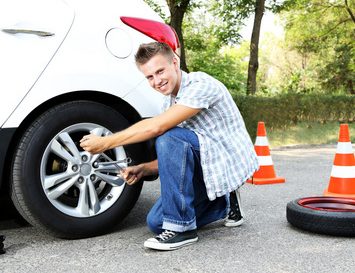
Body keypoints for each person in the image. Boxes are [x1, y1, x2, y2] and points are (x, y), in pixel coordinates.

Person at [80, 42, 259, 251]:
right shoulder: (168, 103)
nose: (156, 81)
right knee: (156, 223)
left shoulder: (201, 85)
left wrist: (106, 142)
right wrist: (143, 169)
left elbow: (158, 129)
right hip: (206, 164)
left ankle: (183, 230)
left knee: (167, 136)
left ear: (175, 63)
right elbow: (177, 155)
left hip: (226, 161)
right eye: (149, 77)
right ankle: (224, 202)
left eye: (160, 71)